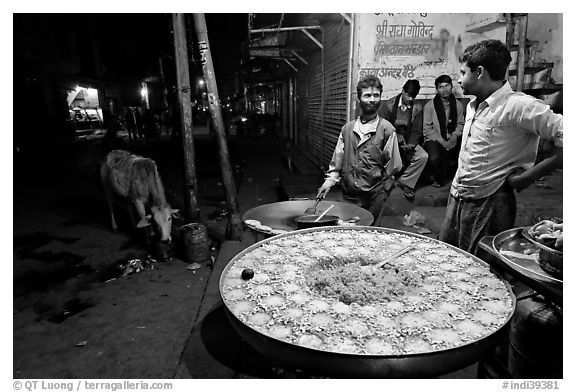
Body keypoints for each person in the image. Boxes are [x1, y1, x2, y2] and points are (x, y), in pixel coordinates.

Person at [439, 39, 563, 253]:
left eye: (462, 73)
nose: (458, 80)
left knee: (479, 266)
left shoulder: (517, 106)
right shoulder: (473, 104)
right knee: (449, 255)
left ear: (479, 72)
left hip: (490, 203)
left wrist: (527, 177)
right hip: (459, 195)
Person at [316, 75, 402, 225]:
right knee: (349, 233)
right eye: (367, 95)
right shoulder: (347, 129)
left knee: (370, 234)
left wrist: (383, 189)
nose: (372, 99)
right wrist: (329, 182)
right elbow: (337, 161)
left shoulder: (387, 129)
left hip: (374, 197)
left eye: (376, 95)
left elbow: (394, 165)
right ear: (359, 98)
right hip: (349, 196)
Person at [378, 79, 428, 198]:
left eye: (414, 96)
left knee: (423, 156)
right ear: (403, 91)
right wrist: (395, 134)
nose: (411, 99)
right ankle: (387, 182)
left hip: (407, 142)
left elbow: (417, 130)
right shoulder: (388, 105)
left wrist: (411, 144)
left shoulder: (417, 108)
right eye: (408, 95)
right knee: (388, 159)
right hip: (390, 142)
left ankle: (405, 182)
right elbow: (381, 127)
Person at [422, 75, 465, 188]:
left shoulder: (458, 105)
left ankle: (460, 180)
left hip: (452, 137)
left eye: (447, 86)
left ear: (451, 87)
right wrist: (442, 141)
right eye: (441, 87)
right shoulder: (429, 106)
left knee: (465, 153)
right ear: (437, 89)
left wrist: (454, 136)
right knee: (434, 158)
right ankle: (439, 180)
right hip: (434, 138)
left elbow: (461, 124)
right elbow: (427, 129)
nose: (445, 89)